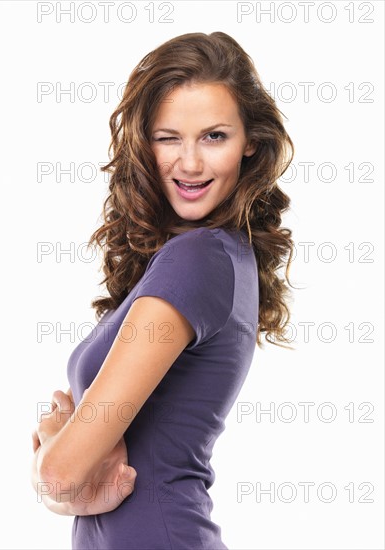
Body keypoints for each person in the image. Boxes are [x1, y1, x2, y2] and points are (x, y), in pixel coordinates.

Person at [31, 31, 295, 549]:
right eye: (168, 137)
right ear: (142, 143)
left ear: (250, 145)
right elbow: (68, 483)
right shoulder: (210, 257)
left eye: (214, 136)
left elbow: (62, 475)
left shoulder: (198, 259)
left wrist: (53, 449)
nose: (190, 163)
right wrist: (63, 482)